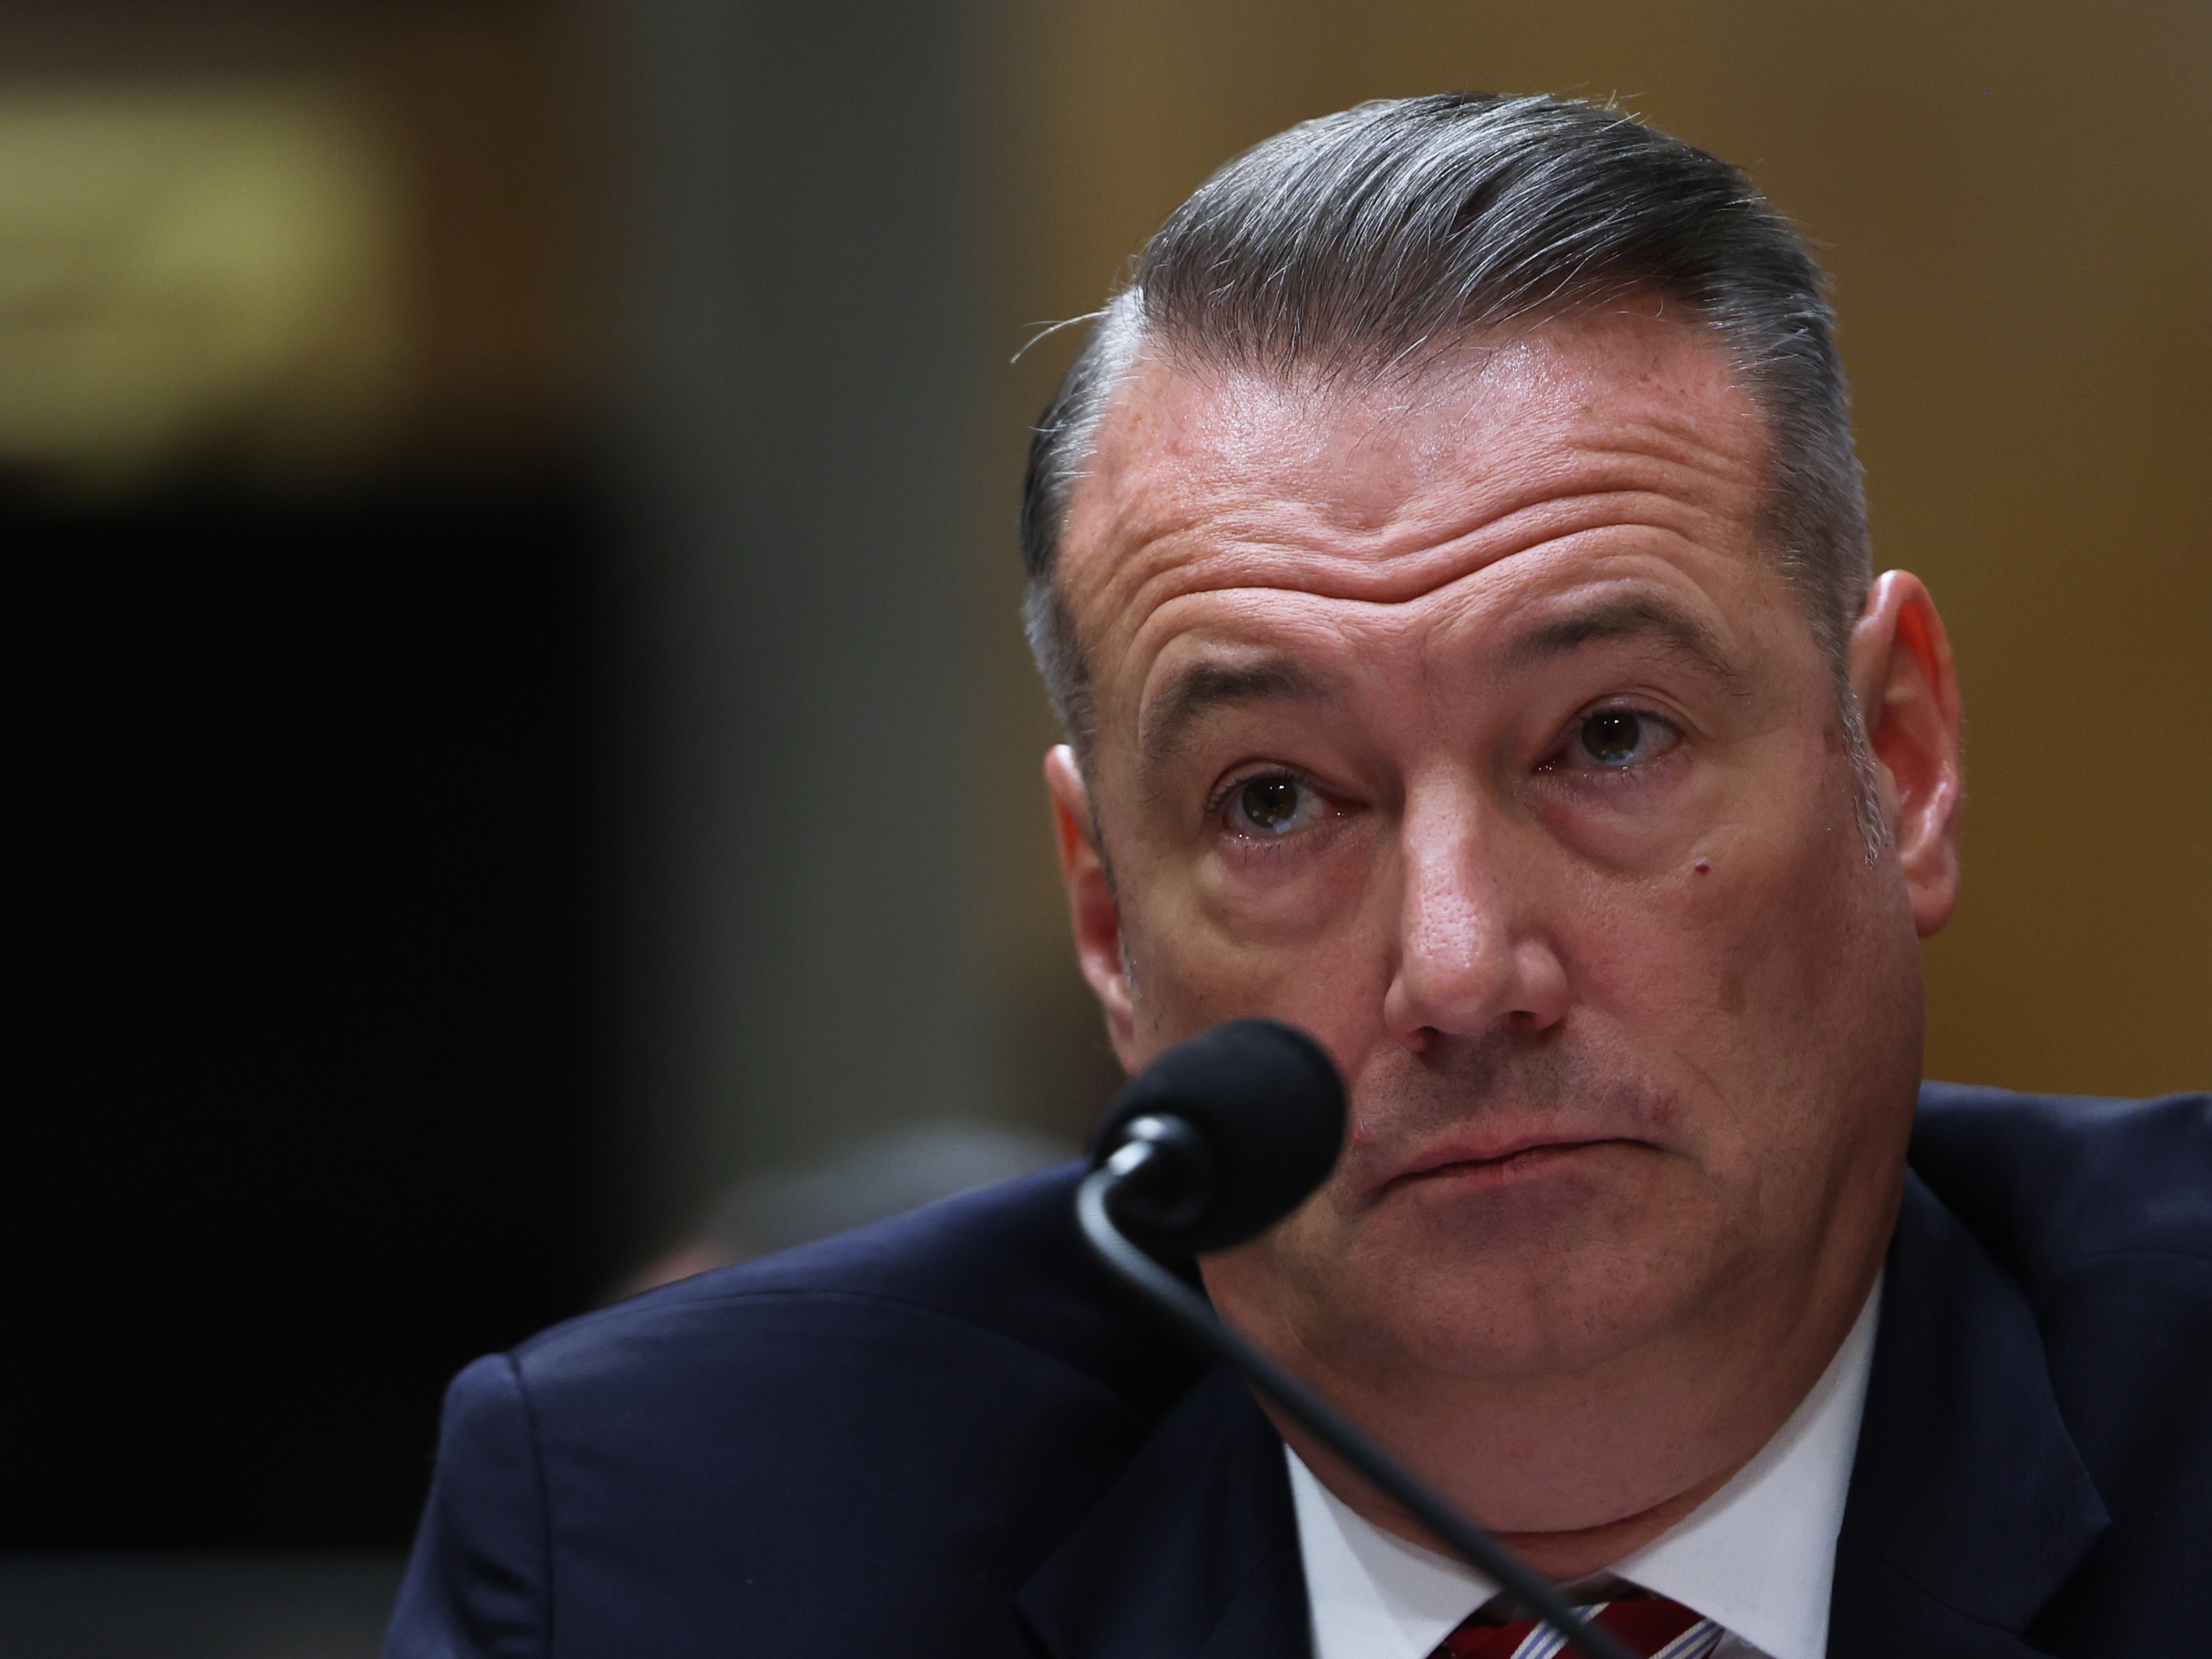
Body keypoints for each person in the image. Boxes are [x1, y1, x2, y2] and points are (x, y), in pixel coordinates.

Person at [383, 94, 2211, 1659]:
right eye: (1275, 800)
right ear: (1107, 918)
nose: (1461, 967)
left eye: (1609, 741)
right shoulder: (672, 1560)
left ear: (1897, 762)